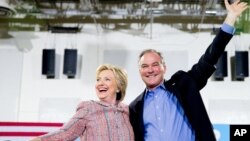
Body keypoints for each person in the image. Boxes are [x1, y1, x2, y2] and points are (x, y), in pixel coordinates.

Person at [129, 0, 248, 141]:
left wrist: (231, 18)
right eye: (144, 66)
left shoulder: (183, 84)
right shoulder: (135, 107)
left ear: (164, 68)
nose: (150, 70)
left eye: (155, 64)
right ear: (139, 71)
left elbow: (209, 58)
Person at [30, 64, 134, 141]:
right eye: (98, 80)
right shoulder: (88, 108)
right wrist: (39, 140)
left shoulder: (128, 111)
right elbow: (66, 133)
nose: (100, 83)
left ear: (119, 87)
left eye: (107, 79)